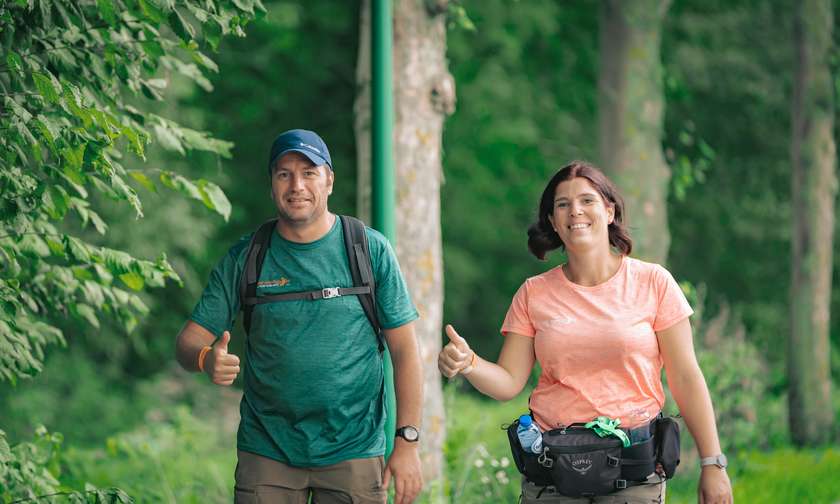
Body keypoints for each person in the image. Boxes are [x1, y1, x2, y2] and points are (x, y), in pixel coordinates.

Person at [438, 161, 733, 504]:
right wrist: (469, 362)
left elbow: (685, 376)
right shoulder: (534, 293)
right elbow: (508, 381)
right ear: (553, 221)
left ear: (609, 211)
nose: (574, 210)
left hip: (633, 473)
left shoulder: (653, 282)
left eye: (587, 200)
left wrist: (713, 462)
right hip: (553, 474)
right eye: (562, 204)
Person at [176, 129, 424, 504]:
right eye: (284, 174)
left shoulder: (367, 249)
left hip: (353, 449)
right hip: (268, 451)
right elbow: (187, 342)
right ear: (272, 184)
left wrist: (407, 442)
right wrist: (204, 358)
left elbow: (405, 351)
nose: (297, 185)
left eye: (309, 172)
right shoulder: (248, 257)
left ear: (329, 181)